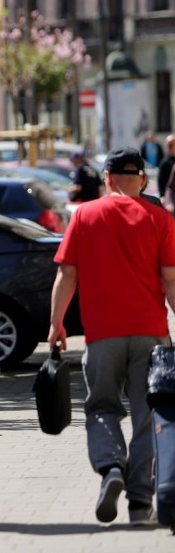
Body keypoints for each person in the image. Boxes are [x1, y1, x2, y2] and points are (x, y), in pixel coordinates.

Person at [48, 146, 175, 526]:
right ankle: (140, 503)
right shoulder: (160, 218)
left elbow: (66, 274)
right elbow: (170, 280)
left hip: (101, 333)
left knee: (102, 406)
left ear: (106, 178)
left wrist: (56, 325)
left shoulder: (85, 214)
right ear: (143, 180)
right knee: (147, 417)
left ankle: (110, 468)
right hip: (150, 333)